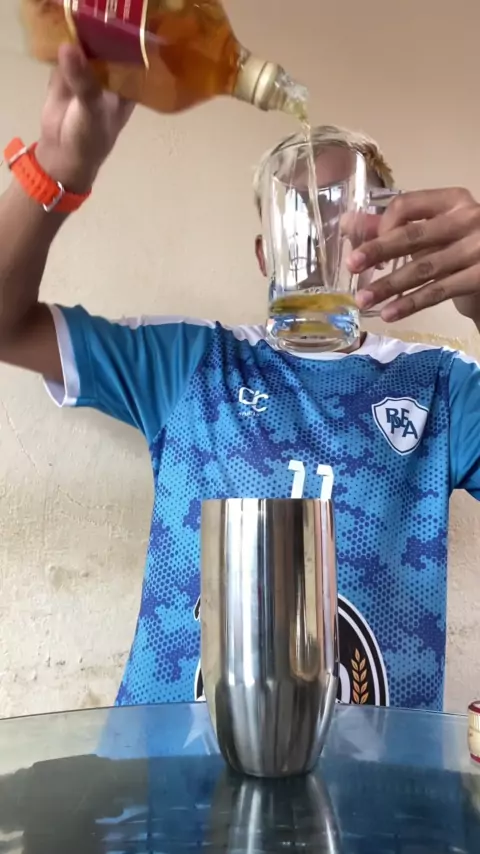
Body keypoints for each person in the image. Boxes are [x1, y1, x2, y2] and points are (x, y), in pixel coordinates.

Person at [1, 45, 480, 712]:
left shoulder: (441, 385)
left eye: (346, 215)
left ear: (386, 242)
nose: (321, 236)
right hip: (167, 772)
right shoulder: (190, 361)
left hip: (378, 775)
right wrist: (53, 171)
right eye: (299, 214)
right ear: (264, 253)